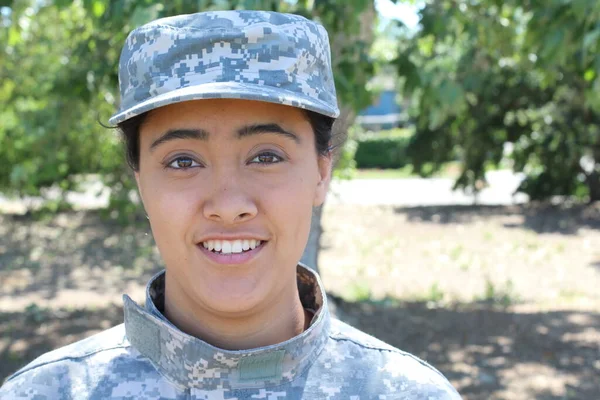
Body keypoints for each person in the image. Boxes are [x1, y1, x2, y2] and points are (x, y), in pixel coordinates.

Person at [0, 10, 461, 399]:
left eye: (266, 156)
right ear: (141, 182)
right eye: (183, 161)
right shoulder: (48, 391)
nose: (227, 205)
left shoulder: (408, 392)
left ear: (322, 172)